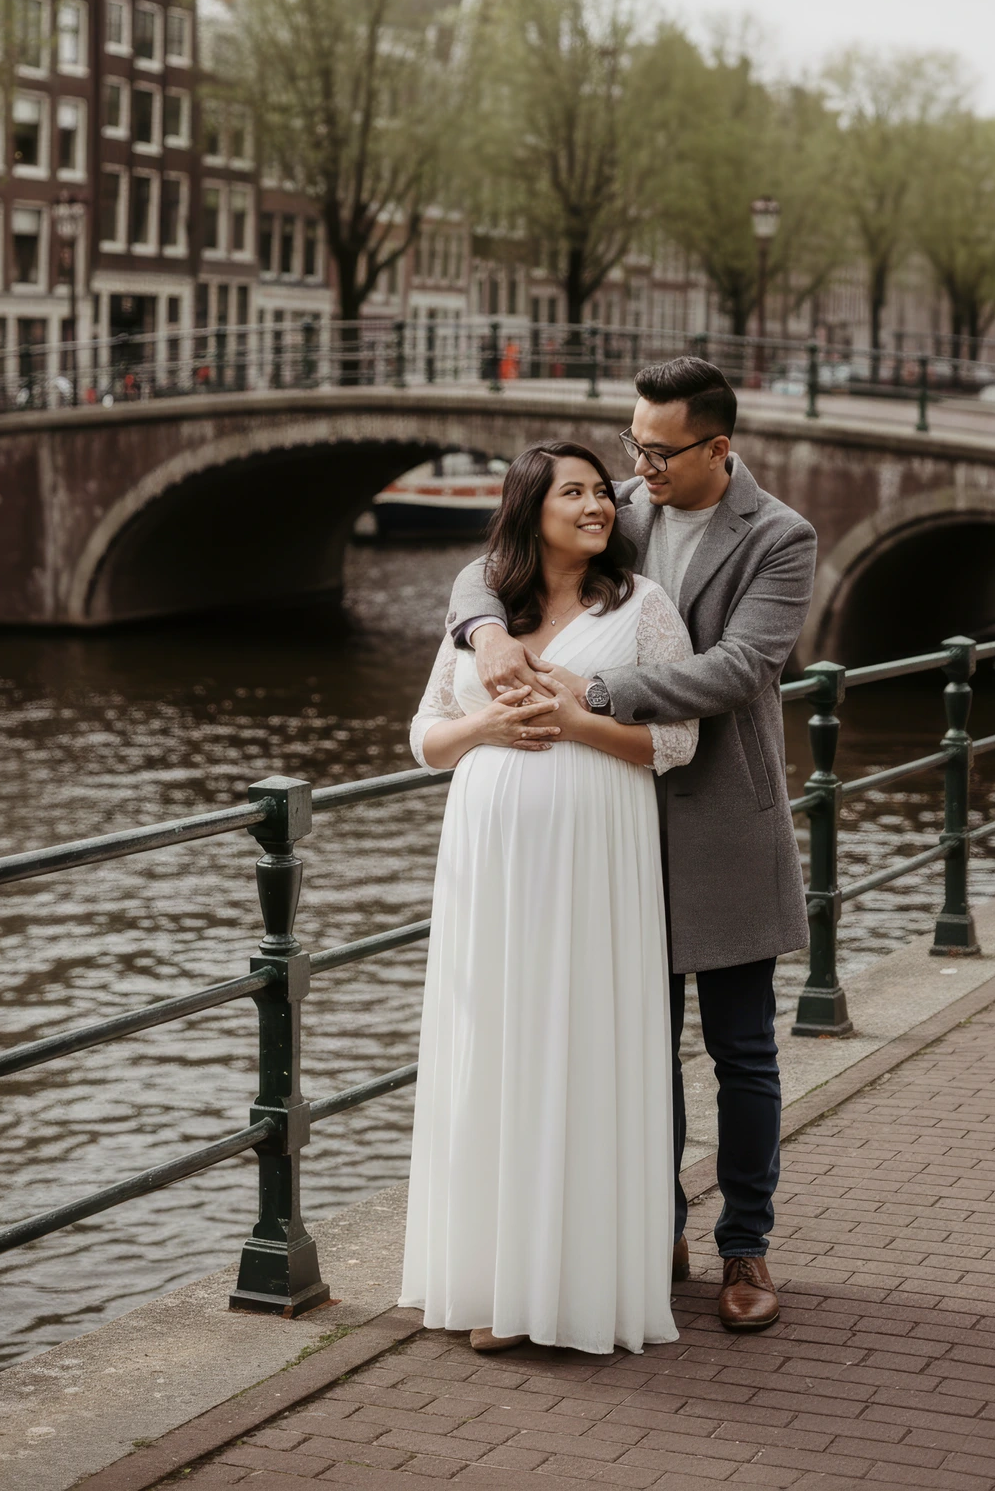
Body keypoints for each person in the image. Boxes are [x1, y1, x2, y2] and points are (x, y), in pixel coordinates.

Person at [446, 357, 816, 1332]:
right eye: (630, 445)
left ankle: (746, 1247)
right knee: (629, 1046)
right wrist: (482, 631)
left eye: (656, 451)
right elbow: (492, 558)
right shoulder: (616, 502)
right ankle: (652, 1228)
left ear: (716, 447)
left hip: (719, 825)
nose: (632, 469)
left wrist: (597, 693)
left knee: (740, 1052)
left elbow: (737, 668)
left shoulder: (780, 537)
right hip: (612, 831)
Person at [399, 442, 698, 1355]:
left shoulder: (642, 606)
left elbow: (679, 743)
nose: (599, 504)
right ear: (531, 507)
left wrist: (575, 722)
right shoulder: (482, 611)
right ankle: (492, 1274)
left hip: (596, 858)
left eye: (604, 492)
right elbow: (422, 738)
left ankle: (570, 1287)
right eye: (574, 491)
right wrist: (485, 725)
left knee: (581, 1043)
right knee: (495, 1047)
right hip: (489, 864)